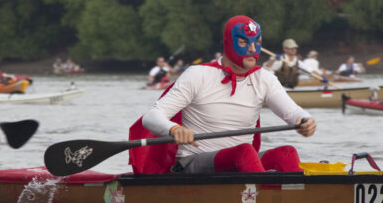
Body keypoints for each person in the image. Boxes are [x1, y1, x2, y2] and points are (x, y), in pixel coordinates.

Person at [133, 15, 316, 175]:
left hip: (242, 162)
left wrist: (305, 120)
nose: (253, 49)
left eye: (257, 42)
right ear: (228, 43)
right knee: (243, 152)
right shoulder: (198, 74)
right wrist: (174, 130)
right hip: (194, 162)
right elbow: (151, 117)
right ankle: (264, 202)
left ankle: (298, 200)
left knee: (287, 153)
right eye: (244, 42)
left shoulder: (265, 78)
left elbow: (292, 113)